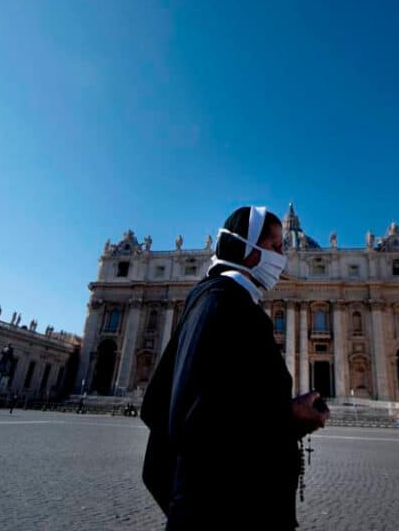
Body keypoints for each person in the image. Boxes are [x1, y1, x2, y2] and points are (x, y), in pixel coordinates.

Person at [141, 206, 329, 530]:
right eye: (276, 247)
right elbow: (198, 421)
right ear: (250, 251)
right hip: (224, 512)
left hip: (230, 506)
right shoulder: (222, 303)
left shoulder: (226, 300)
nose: (283, 258)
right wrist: (289, 417)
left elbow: (225, 402)